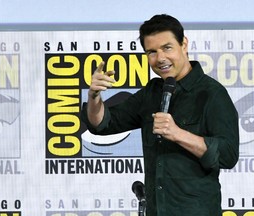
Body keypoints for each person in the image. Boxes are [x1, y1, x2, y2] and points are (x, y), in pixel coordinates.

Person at [81, 14, 239, 216]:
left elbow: (228, 155)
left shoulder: (212, 94)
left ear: (184, 44)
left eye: (167, 48)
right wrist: (94, 96)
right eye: (152, 52)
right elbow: (103, 124)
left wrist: (177, 134)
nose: (160, 58)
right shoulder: (152, 92)